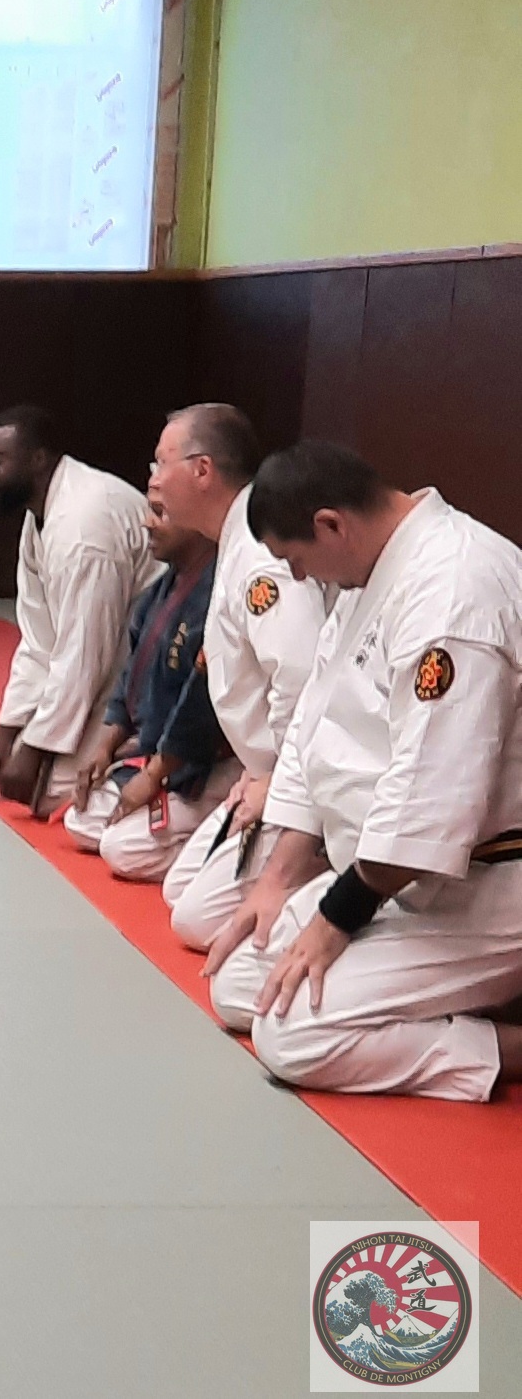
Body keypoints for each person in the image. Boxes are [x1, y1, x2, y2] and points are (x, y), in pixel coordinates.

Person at [203, 443, 522, 1101]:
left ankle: (504, 1044)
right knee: (239, 985)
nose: (297, 576)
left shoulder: (454, 590)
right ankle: (447, 996)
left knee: (289, 1035)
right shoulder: (368, 573)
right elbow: (312, 731)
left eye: (295, 559)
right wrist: (278, 880)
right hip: (392, 876)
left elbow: (432, 793)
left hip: (484, 885)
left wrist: (336, 917)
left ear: (331, 524)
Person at [146, 404, 326, 948]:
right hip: (264, 765)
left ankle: (326, 867)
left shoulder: (261, 554)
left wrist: (280, 780)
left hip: (304, 776)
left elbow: (302, 680)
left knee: (195, 921)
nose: (153, 480)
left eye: (161, 463)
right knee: (179, 890)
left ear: (202, 470)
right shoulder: (235, 539)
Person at [0, 405, 160, 819]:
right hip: (109, 648)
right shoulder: (40, 515)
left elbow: (85, 652)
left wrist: (35, 749)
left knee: (55, 792)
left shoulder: (83, 530)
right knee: (24, 773)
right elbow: (40, 638)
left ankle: (144, 755)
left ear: (38, 460)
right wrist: (8, 731)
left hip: (149, 658)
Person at [64, 502, 235, 881]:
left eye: (161, 512)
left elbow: (200, 710)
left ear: (197, 524)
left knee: (121, 850)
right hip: (155, 752)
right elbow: (131, 676)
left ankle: (212, 831)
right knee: (81, 820)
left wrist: (156, 774)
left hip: (206, 765)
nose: (147, 523)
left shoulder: (215, 594)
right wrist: (106, 746)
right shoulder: (163, 588)